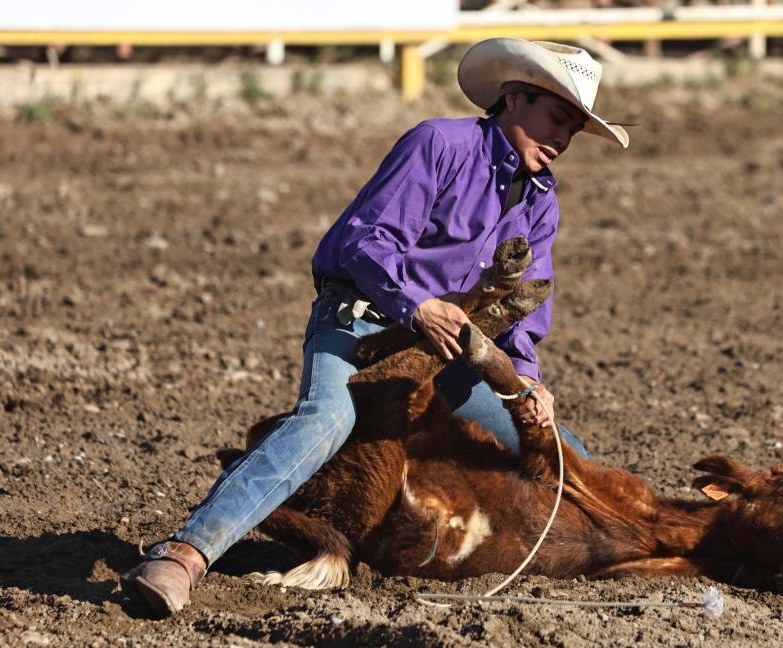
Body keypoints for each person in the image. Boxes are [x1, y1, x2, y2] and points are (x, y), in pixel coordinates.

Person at [120, 37, 630, 616]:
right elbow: (367, 240)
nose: (562, 140)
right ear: (513, 99)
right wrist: (417, 305)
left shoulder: (542, 200)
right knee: (327, 419)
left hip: (448, 355)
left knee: (561, 455)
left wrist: (529, 384)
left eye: (573, 129)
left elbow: (522, 309)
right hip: (361, 321)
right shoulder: (438, 143)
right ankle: (185, 554)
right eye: (556, 118)